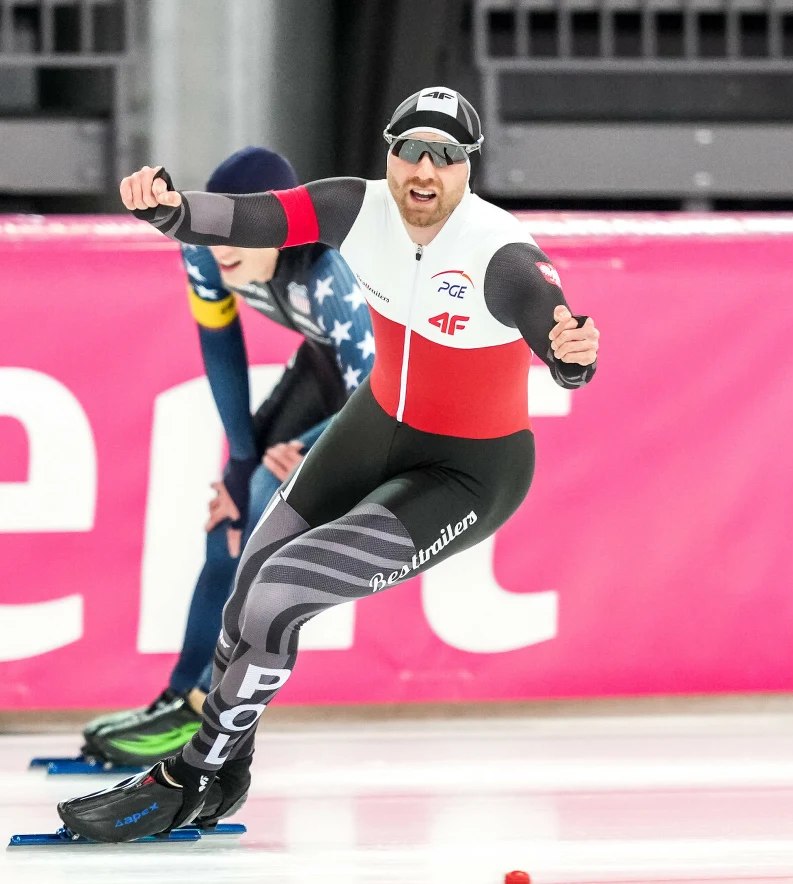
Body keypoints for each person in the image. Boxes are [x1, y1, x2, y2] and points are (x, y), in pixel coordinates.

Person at [58, 86, 600, 842]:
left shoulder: (499, 251)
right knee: (254, 571)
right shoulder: (357, 206)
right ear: (390, 154)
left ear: (467, 168)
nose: (425, 170)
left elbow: (556, 331)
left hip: (470, 471)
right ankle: (229, 769)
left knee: (282, 591)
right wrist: (172, 213)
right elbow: (255, 217)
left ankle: (190, 775)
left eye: (445, 157)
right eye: (411, 151)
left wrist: (571, 357)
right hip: (375, 423)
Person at [81, 147, 376, 767]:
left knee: (266, 512)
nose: (223, 248)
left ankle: (208, 712)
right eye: (218, 229)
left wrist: (310, 450)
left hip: (395, 392)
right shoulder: (200, 247)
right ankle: (181, 699)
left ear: (284, 228)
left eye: (243, 231)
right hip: (328, 367)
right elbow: (221, 347)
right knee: (230, 518)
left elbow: (381, 393)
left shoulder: (329, 273)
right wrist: (240, 462)